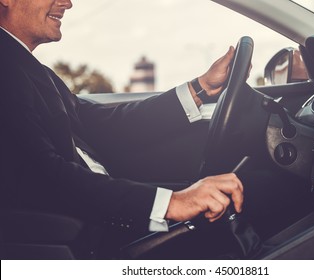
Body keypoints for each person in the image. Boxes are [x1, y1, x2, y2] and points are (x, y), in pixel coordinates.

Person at [0, 0, 244, 238]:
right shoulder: (7, 68)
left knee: (235, 192)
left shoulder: (27, 67)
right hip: (79, 235)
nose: (67, 3)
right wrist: (171, 203)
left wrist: (200, 88)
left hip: (97, 216)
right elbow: (38, 177)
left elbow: (101, 125)